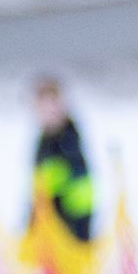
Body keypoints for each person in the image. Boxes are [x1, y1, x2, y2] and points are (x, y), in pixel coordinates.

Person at [29, 76, 94, 243]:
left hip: (72, 224)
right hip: (47, 222)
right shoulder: (44, 140)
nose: (48, 111)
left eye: (52, 104)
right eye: (42, 106)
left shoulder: (68, 138)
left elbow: (77, 188)